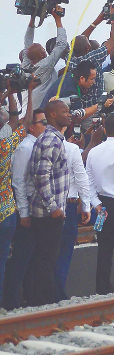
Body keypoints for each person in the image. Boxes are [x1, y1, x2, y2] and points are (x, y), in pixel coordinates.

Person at [26, 99, 72, 306]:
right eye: (65, 111)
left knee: (43, 259)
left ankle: (41, 301)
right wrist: (54, 208)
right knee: (46, 261)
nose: (69, 115)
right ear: (53, 115)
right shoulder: (51, 141)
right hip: (47, 214)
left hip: (47, 212)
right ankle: (47, 304)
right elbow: (41, 177)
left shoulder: (52, 139)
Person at [0, 84, 39, 310]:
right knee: (3, 262)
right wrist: (26, 92)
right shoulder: (6, 145)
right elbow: (24, 123)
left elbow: (15, 121)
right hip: (6, 212)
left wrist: (6, 93)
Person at [53, 122, 100, 301]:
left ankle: (45, 294)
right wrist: (86, 206)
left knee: (48, 252)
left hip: (47, 205)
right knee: (64, 252)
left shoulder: (36, 144)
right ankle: (58, 294)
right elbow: (81, 177)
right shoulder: (71, 148)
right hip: (68, 204)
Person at [21, 8, 69, 108]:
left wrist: (32, 18)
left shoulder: (26, 64)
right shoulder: (45, 65)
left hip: (23, 105)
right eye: (43, 49)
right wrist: (58, 20)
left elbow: (27, 41)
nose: (45, 49)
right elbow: (61, 44)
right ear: (41, 55)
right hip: (36, 109)